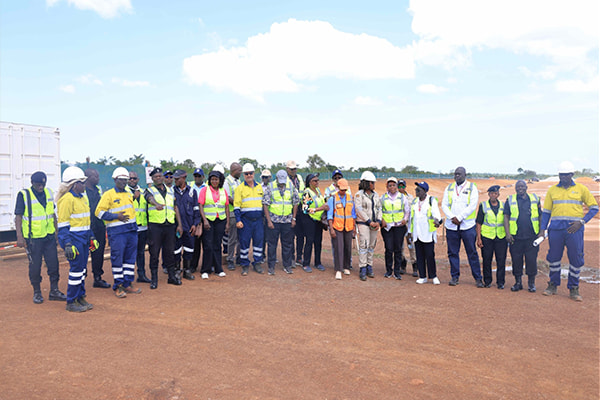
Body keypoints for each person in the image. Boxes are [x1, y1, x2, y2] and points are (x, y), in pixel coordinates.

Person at [541, 161, 598, 301]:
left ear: (572, 174)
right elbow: (546, 212)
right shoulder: (552, 190)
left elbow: (594, 208)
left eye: (566, 175)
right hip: (555, 230)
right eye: (561, 175)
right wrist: (542, 229)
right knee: (554, 258)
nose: (563, 177)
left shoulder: (581, 189)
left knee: (576, 259)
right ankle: (553, 285)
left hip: (574, 230)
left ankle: (573, 288)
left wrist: (582, 222)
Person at [14, 171, 67, 304]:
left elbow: (52, 214)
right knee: (35, 266)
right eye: (38, 185)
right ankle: (37, 292)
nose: (41, 187)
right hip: (33, 238)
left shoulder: (48, 193)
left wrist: (56, 232)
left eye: (43, 184)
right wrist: (19, 237)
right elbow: (18, 217)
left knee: (53, 264)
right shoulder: (24, 195)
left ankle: (54, 290)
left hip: (49, 237)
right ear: (32, 183)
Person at [95, 167, 141, 298]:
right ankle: (118, 285)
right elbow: (98, 212)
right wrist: (116, 216)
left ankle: (127, 283)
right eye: (121, 180)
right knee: (117, 259)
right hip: (117, 232)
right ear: (115, 180)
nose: (124, 182)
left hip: (131, 231)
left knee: (130, 259)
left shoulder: (128, 194)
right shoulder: (108, 195)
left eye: (125, 180)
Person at [56, 166, 96, 312]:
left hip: (84, 239)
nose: (85, 185)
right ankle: (71, 301)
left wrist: (91, 236)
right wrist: (67, 244)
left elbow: (86, 220)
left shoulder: (82, 198)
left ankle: (80, 296)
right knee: (76, 270)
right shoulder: (66, 200)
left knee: (82, 270)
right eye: (82, 182)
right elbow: (63, 225)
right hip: (74, 240)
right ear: (74, 184)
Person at [442, 166, 483, 287]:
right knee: (453, 252)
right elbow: (444, 205)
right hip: (452, 227)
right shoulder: (449, 188)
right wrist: (452, 217)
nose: (457, 176)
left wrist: (460, 217)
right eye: (455, 174)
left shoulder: (472, 187)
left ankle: (478, 278)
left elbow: (472, 205)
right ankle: (455, 277)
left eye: (459, 174)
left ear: (465, 174)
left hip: (467, 227)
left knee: (472, 253)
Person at [145, 167, 182, 288]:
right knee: (154, 253)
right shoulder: (149, 190)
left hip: (169, 226)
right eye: (156, 177)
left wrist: (179, 225)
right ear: (152, 178)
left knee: (169, 252)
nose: (159, 178)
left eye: (160, 176)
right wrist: (156, 204)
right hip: (155, 226)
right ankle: (154, 279)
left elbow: (175, 208)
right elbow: (149, 199)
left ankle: (171, 277)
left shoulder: (170, 191)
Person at [503, 180, 542, 293]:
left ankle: (531, 283)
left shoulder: (535, 199)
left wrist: (541, 232)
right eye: (518, 187)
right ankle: (518, 282)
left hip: (532, 237)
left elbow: (540, 215)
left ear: (526, 187)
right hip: (516, 237)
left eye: (522, 186)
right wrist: (508, 234)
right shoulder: (510, 200)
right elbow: (506, 217)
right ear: (515, 189)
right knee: (516, 260)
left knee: (531, 260)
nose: (520, 188)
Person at [263, 169, 300, 275]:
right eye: (280, 181)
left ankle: (287, 265)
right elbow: (265, 204)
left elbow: (295, 202)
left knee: (287, 244)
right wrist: (268, 221)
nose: (282, 183)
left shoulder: (291, 186)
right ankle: (271, 267)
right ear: (276, 178)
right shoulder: (271, 186)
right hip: (274, 221)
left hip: (287, 221)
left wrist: (293, 218)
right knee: (272, 245)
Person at [407, 181, 442, 284]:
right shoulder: (414, 202)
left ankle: (433, 276)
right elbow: (411, 218)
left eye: (419, 190)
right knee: (419, 255)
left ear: (424, 191)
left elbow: (436, 214)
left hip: (427, 233)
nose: (416, 191)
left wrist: (437, 221)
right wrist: (409, 231)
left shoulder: (431, 201)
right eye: (416, 189)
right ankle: (422, 276)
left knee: (430, 255)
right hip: (417, 233)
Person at [234, 163, 265, 275]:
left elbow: (264, 204)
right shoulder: (239, 189)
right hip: (245, 221)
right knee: (244, 243)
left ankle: (257, 263)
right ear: (243, 175)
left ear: (254, 173)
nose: (249, 175)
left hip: (258, 221)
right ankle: (244, 264)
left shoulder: (260, 187)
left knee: (258, 242)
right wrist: (238, 220)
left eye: (250, 173)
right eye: (246, 173)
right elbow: (237, 206)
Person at [198, 170, 229, 279]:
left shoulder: (223, 191)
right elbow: (200, 205)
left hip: (220, 220)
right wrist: (205, 220)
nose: (214, 181)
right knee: (208, 245)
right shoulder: (204, 190)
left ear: (220, 180)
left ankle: (218, 269)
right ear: (209, 180)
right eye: (212, 179)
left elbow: (226, 207)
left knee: (217, 245)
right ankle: (205, 270)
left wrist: (227, 223)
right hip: (208, 221)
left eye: (216, 179)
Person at [476, 185, 508, 289]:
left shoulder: (504, 206)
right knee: (486, 260)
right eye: (491, 193)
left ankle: (500, 282)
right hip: (487, 237)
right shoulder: (483, 205)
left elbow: (507, 221)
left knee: (501, 260)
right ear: (488, 194)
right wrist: (479, 238)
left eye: (495, 193)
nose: (493, 195)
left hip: (501, 237)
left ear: (498, 195)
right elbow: (479, 223)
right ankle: (487, 281)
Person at [84, 169, 111, 288]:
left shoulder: (98, 189)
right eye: (95, 176)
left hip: (99, 226)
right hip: (85, 226)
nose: (98, 178)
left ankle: (97, 278)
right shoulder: (82, 191)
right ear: (88, 177)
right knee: (84, 253)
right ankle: (80, 279)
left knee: (98, 252)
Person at [173, 169, 201, 280]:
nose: (175, 180)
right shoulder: (171, 192)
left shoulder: (192, 192)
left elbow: (196, 210)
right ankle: (176, 270)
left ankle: (187, 270)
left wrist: (195, 224)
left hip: (189, 227)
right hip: (177, 228)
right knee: (176, 249)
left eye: (177, 179)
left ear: (184, 178)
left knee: (189, 249)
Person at [380, 177, 410, 279]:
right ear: (387, 187)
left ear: (396, 186)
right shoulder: (383, 198)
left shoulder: (402, 197)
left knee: (398, 249)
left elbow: (407, 210)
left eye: (394, 185)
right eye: (390, 185)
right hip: (387, 227)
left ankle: (397, 272)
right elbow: (380, 210)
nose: (392, 187)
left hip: (399, 227)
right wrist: (381, 220)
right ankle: (389, 270)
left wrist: (405, 219)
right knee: (388, 249)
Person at [354, 171, 382, 281]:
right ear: (366, 183)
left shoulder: (376, 195)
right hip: (364, 223)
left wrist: (378, 221)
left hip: (374, 224)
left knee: (371, 245)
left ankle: (370, 266)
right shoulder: (359, 195)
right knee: (364, 245)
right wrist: (369, 221)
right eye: (372, 182)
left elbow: (379, 208)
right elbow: (359, 209)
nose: (374, 185)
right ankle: (363, 268)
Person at [327, 178, 356, 280]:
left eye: (345, 189)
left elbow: (353, 214)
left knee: (347, 247)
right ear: (338, 187)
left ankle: (346, 266)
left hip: (348, 227)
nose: (343, 191)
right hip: (337, 227)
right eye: (342, 189)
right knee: (339, 248)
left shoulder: (350, 198)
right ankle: (338, 269)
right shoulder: (333, 199)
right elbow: (330, 215)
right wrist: (331, 229)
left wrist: (354, 228)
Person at [126, 170, 152, 283]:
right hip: (130, 228)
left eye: (134, 178)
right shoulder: (124, 192)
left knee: (141, 253)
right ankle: (127, 278)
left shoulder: (143, 191)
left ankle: (141, 275)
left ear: (138, 179)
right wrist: (133, 198)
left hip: (143, 228)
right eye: (130, 178)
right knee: (129, 253)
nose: (132, 180)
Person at [300, 173, 329, 273]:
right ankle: (306, 264)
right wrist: (320, 208)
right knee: (309, 241)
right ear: (309, 182)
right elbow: (305, 209)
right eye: (315, 181)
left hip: (319, 220)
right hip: (310, 220)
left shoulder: (317, 191)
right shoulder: (307, 193)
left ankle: (318, 262)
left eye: (318, 180)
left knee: (318, 242)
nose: (317, 182)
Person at [223, 162, 242, 270]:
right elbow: (228, 198)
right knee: (232, 238)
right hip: (232, 213)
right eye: (239, 170)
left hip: (239, 213)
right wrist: (238, 204)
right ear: (234, 170)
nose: (241, 172)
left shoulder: (238, 181)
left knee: (240, 237)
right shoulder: (227, 182)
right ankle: (230, 259)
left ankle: (239, 257)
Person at [287, 160, 305, 267]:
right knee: (290, 236)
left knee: (300, 235)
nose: (294, 170)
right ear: (287, 169)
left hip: (301, 210)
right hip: (290, 210)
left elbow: (303, 192)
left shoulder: (299, 178)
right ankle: (291, 257)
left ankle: (299, 257)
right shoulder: (284, 180)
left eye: (295, 168)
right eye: (292, 169)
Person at [398, 179, 418, 277]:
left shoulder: (410, 198)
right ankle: (403, 265)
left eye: (402, 186)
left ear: (405, 187)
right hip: (399, 226)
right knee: (400, 247)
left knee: (411, 246)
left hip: (409, 226)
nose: (401, 188)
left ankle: (415, 266)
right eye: (399, 186)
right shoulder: (395, 198)